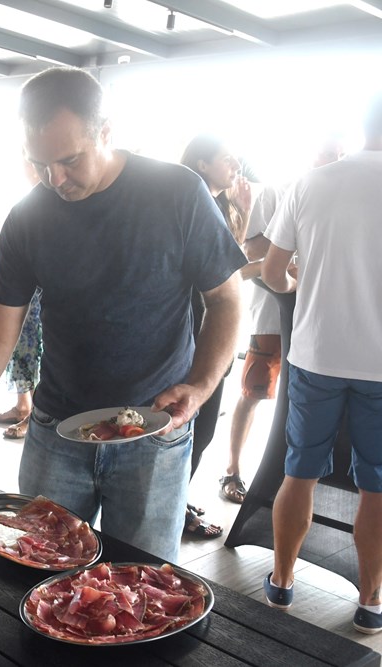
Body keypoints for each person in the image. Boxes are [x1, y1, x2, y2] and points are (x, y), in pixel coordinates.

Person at [0, 67, 245, 563]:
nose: (55, 179)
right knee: (37, 569)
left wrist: (201, 384)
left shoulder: (177, 193)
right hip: (55, 432)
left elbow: (227, 299)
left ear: (105, 133)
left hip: (152, 432)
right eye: (40, 163)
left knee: (142, 580)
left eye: (69, 160)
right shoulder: (28, 217)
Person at [260, 94, 382, 633]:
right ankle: (371, 601)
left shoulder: (311, 183)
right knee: (377, 486)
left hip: (316, 355)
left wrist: (299, 288)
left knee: (300, 472)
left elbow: (272, 272)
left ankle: (282, 582)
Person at [221, 137, 345, 507]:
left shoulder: (342, 199)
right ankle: (232, 470)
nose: (336, 159)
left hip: (318, 318)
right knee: (254, 392)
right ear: (312, 154)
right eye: (329, 152)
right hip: (274, 315)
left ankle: (293, 481)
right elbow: (252, 250)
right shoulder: (280, 193)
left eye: (341, 154)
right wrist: (296, 254)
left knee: (305, 403)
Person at [178, 134, 250, 539]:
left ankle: (178, 500)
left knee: (202, 428)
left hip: (213, 327)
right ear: (202, 164)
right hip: (190, 328)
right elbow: (230, 275)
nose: (236, 166)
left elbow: (232, 267)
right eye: (228, 159)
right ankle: (175, 508)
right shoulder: (187, 206)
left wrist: (244, 212)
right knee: (192, 424)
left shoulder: (221, 207)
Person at [0, 157, 43, 441]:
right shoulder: (26, 208)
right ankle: (25, 407)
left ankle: (32, 414)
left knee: (38, 354)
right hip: (28, 300)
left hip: (44, 302)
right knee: (23, 351)